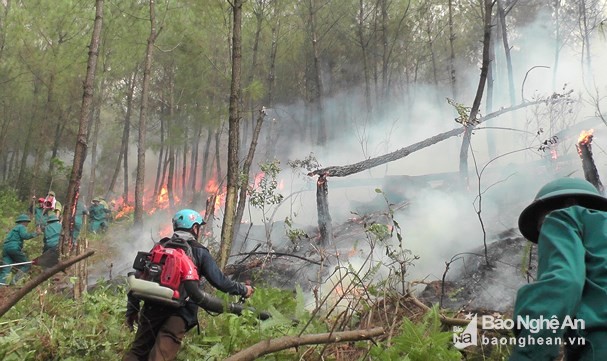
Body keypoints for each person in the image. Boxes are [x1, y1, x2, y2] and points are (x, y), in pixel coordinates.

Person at [123, 209, 254, 361]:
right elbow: (221, 282)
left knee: (137, 352)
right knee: (160, 355)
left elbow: (138, 278)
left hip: (152, 306)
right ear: (194, 228)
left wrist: (132, 310)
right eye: (198, 227)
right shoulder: (200, 252)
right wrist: (243, 289)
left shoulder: (160, 246)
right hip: (180, 312)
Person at [511, 177, 607, 360]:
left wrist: (528, 354)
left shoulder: (563, 217)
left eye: (542, 225)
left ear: (569, 203)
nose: (544, 232)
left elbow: (563, 282)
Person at [0, 214, 39, 285]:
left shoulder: (14, 229)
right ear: (24, 222)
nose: (27, 224)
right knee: (27, 264)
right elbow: (25, 236)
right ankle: (14, 281)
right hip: (13, 248)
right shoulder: (21, 227)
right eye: (27, 222)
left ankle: (1, 286)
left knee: (6, 268)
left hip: (5, 249)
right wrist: (35, 234)